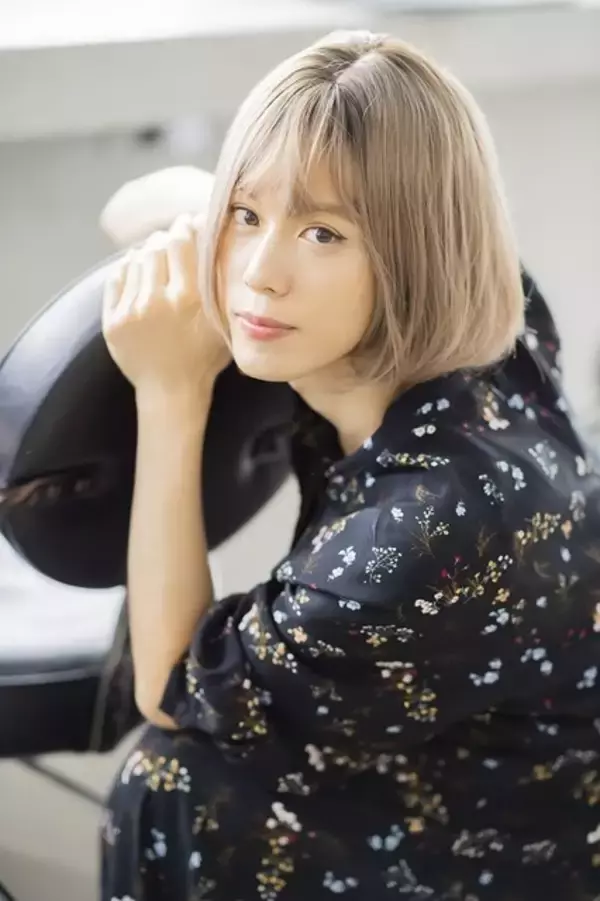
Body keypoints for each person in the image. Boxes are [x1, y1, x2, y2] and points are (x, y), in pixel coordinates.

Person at [100, 29, 600, 901]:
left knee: (171, 777)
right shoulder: (498, 309)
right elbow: (138, 204)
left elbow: (171, 684)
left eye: (324, 233)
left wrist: (170, 392)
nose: (261, 275)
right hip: (488, 730)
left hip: (516, 837)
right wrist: (224, 208)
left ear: (417, 251)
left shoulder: (415, 534)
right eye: (245, 216)